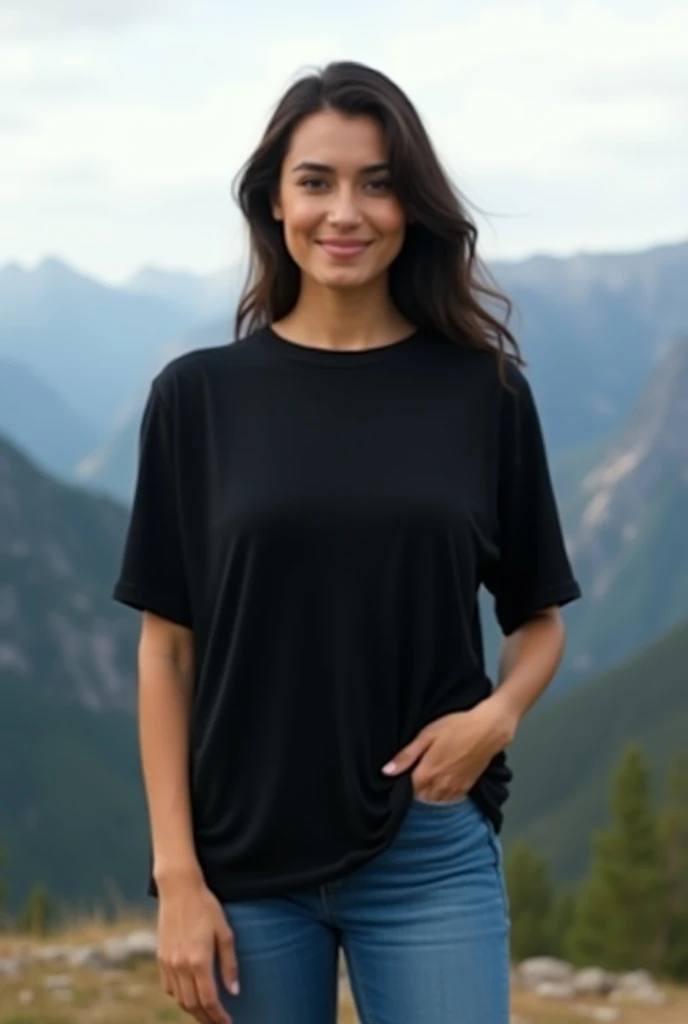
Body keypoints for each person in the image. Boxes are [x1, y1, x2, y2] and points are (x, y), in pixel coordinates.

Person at [112, 60, 581, 1024]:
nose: (346, 212)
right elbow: (166, 649)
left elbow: (537, 618)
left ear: (412, 205)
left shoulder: (483, 393)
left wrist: (497, 717)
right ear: (274, 202)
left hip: (429, 849)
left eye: (377, 182)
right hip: (242, 859)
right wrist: (179, 878)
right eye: (316, 181)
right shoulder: (197, 399)